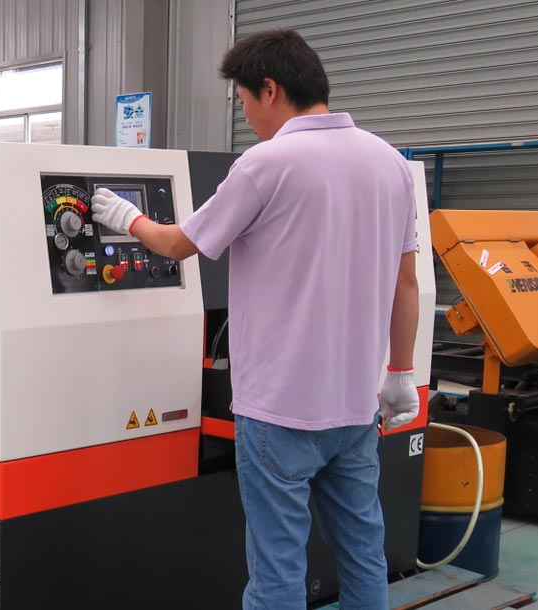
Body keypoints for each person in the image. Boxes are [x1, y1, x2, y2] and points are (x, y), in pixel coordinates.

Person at [91, 29, 420, 610]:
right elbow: (407, 284)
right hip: (355, 408)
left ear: (270, 89)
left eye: (244, 102)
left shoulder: (266, 164)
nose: (247, 118)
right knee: (363, 556)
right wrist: (400, 373)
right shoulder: (391, 164)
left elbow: (179, 245)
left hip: (278, 411)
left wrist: (126, 217)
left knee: (277, 574)